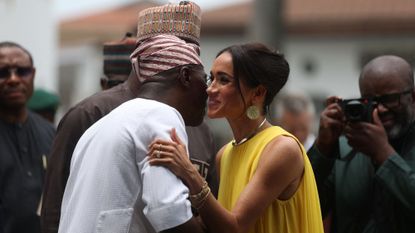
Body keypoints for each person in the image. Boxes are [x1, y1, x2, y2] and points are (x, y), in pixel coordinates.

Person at [41, 2, 217, 232]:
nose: (209, 90)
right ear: (184, 76)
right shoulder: (159, 115)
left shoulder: (105, 124)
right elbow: (169, 212)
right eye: (204, 79)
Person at [148, 43, 324, 233]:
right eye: (211, 78)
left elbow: (236, 227)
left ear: (257, 93)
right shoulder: (224, 154)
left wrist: (189, 172)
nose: (210, 89)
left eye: (224, 80)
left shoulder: (282, 149)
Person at [307, 55, 415, 233]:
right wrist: (323, 147)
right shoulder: (346, 147)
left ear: (412, 97)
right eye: (370, 101)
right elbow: (306, 204)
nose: (380, 109)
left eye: (389, 99)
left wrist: (384, 155)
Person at [0, 42, 55, 233]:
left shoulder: (51, 133)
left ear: (33, 74)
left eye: (22, 71)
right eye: (3, 73)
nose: (13, 79)